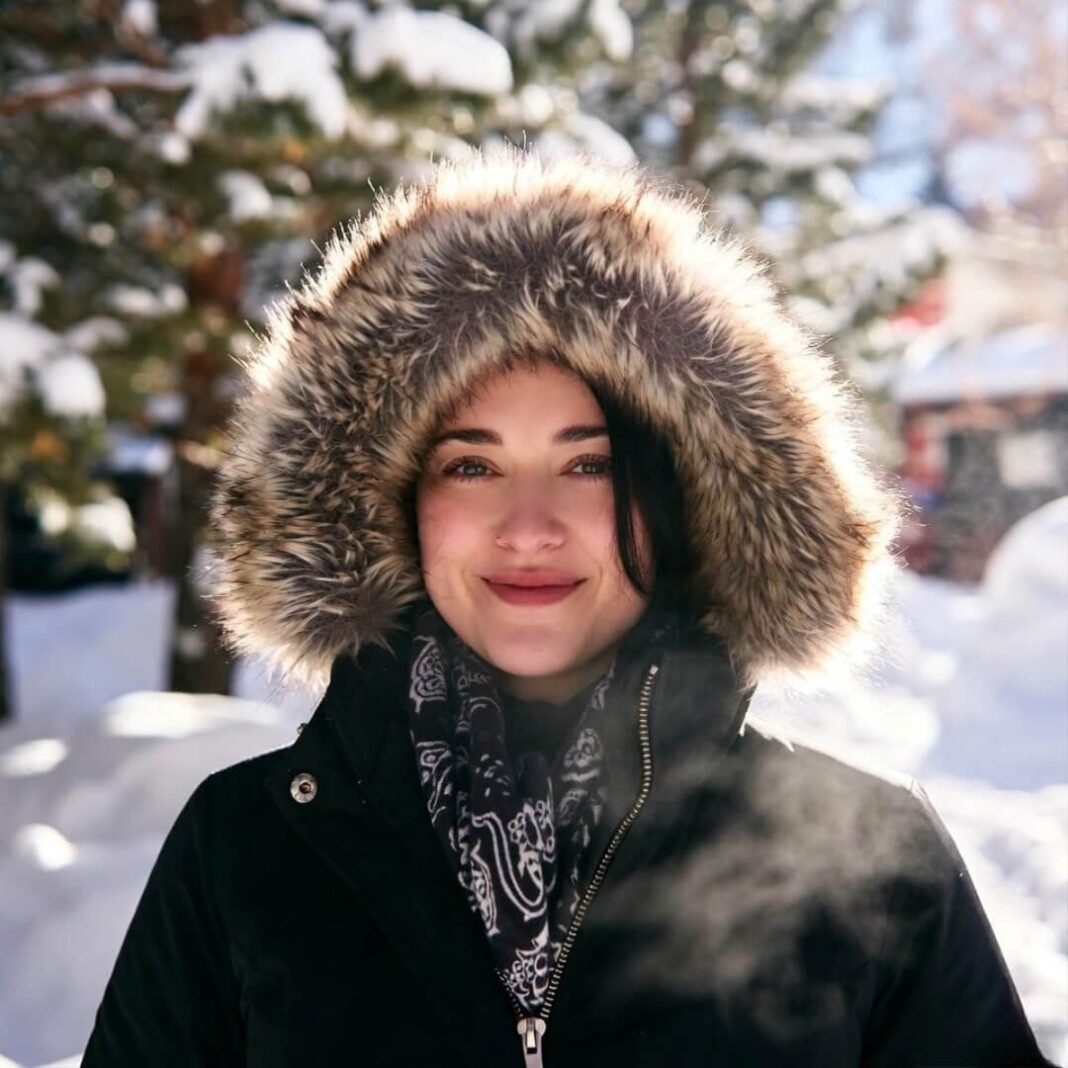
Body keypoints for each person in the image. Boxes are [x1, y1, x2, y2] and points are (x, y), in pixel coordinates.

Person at [82, 153, 1051, 1067]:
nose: (530, 528)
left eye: (589, 465)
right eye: (472, 466)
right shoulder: (245, 849)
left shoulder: (872, 863)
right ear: (388, 506)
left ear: (684, 501)